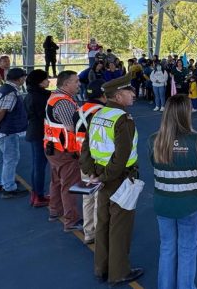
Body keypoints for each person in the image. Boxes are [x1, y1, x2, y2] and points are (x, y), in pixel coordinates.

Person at [81, 73, 144, 285]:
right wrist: (106, 176)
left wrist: (93, 173)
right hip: (119, 178)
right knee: (120, 226)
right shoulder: (123, 119)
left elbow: (86, 148)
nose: (133, 94)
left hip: (101, 176)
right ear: (118, 95)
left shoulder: (98, 115)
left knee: (103, 223)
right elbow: (122, 155)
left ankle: (101, 267)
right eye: (129, 91)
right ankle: (119, 272)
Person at [149, 94, 197, 289]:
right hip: (191, 203)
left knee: (167, 248)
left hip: (163, 202)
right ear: (186, 114)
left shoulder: (154, 140)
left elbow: (153, 163)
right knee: (187, 249)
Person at [43, 70, 83, 231]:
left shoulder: (54, 98)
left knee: (57, 181)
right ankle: (71, 220)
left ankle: (55, 210)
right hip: (64, 150)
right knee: (70, 184)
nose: (79, 84)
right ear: (66, 84)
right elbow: (71, 128)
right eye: (76, 81)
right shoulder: (64, 102)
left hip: (53, 147)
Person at [0, 68, 28, 199]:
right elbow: (0, 112)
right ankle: (8, 187)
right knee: (11, 159)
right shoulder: (11, 92)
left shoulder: (2, 89)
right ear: (20, 79)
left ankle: (0, 182)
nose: (24, 80)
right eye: (24, 78)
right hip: (5, 131)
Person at [76, 80, 108, 245]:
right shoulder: (102, 112)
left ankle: (89, 232)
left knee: (87, 197)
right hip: (97, 160)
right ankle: (99, 232)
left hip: (83, 159)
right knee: (99, 198)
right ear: (103, 95)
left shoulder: (80, 110)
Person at [23, 69, 52, 208]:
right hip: (42, 133)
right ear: (40, 82)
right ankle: (39, 195)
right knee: (40, 165)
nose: (48, 81)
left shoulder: (29, 95)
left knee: (37, 165)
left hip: (33, 132)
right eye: (46, 79)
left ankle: (36, 194)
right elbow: (45, 116)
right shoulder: (42, 97)